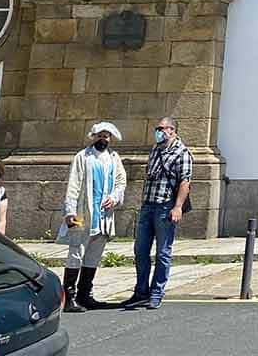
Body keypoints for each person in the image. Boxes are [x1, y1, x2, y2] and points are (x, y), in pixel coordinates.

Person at [123, 116, 191, 310]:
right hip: (148, 205)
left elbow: (185, 181)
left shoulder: (182, 152)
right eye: (157, 128)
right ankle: (141, 291)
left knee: (163, 252)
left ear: (172, 130)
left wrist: (177, 206)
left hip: (165, 207)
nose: (158, 131)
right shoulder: (155, 149)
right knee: (140, 250)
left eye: (162, 128)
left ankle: (156, 292)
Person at [60, 122, 127, 313]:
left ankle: (85, 294)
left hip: (104, 215)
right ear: (93, 136)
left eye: (106, 136)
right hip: (82, 213)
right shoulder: (83, 157)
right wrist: (70, 211)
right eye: (100, 135)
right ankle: (69, 296)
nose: (103, 138)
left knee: (94, 254)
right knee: (76, 251)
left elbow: (121, 181)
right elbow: (73, 184)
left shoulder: (114, 158)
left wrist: (114, 197)